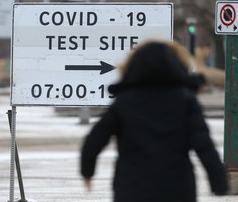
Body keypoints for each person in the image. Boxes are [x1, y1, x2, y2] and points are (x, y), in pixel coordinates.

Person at [80, 39, 228, 202]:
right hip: (177, 187)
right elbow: (204, 144)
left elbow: (95, 139)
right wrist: (218, 181)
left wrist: (87, 171)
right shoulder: (185, 100)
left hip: (131, 187)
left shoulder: (125, 101)